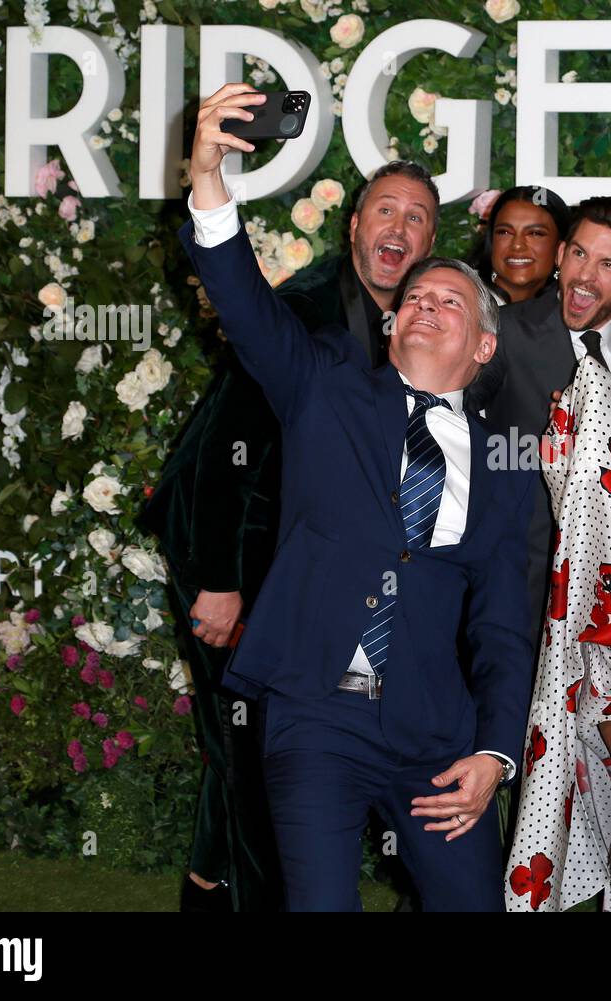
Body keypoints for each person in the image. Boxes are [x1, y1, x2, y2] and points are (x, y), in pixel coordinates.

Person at [179, 82, 536, 911]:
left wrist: (494, 753)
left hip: (434, 738)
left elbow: (503, 627)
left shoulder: (504, 468)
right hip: (316, 716)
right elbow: (242, 297)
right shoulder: (324, 392)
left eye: (450, 301)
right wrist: (207, 175)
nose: (424, 305)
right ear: (389, 325)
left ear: (482, 344)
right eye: (415, 297)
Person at [138, 159, 438, 911]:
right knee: (255, 751)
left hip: (291, 558)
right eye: (385, 211)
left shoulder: (412, 320)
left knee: (250, 739)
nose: (396, 227)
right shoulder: (307, 310)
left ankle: (205, 885)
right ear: (354, 224)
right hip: (226, 548)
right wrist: (216, 579)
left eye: (415, 218)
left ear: (429, 243)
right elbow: (219, 452)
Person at [467, 194, 611, 893]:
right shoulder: (504, 334)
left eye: (608, 264)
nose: (583, 274)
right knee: (504, 772)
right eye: (578, 251)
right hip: (515, 604)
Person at [468, 185, 570, 305]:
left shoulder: (572, 309)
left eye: (535, 233)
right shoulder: (463, 296)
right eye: (505, 232)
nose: (517, 245)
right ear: (491, 240)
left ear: (560, 247)